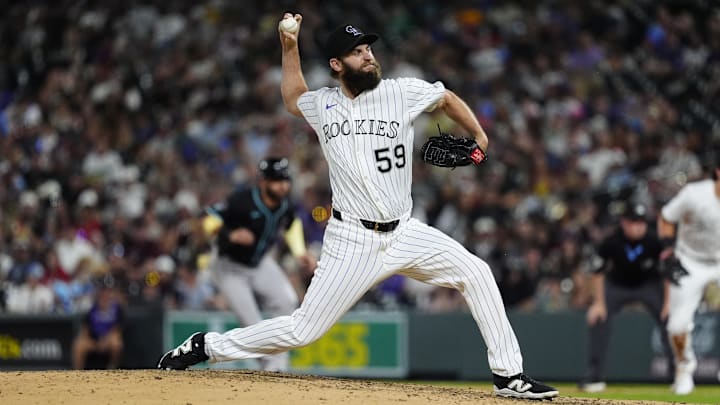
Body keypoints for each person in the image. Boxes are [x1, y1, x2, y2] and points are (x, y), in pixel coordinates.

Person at [159, 14, 558, 400]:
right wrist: (289, 44)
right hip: (351, 239)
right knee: (303, 330)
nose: (368, 55)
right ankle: (205, 346)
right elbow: (293, 97)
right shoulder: (323, 104)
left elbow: (446, 97)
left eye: (368, 48)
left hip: (405, 231)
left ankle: (509, 375)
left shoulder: (399, 92)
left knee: (476, 272)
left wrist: (479, 137)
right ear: (337, 64)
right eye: (357, 51)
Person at [200, 157, 315, 371]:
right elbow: (208, 221)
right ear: (262, 182)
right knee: (251, 322)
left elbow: (292, 225)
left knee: (286, 301)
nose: (283, 186)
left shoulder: (284, 205)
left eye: (285, 180)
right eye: (276, 180)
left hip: (259, 263)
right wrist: (232, 234)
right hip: (229, 266)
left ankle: (278, 368)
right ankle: (269, 369)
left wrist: (300, 252)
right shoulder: (241, 200)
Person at [579, 202, 673, 392]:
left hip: (649, 284)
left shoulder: (654, 241)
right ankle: (595, 375)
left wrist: (668, 304)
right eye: (633, 222)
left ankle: (677, 373)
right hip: (618, 285)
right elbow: (598, 271)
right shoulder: (612, 241)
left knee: (670, 320)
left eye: (641, 222)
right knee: (598, 318)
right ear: (623, 223)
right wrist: (598, 302)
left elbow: (667, 273)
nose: (638, 226)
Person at [657, 160, 720, 395]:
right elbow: (666, 217)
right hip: (690, 261)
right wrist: (667, 250)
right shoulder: (694, 194)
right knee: (677, 326)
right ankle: (684, 367)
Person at [72, 277, 124, 369]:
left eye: (107, 292)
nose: (105, 294)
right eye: (103, 292)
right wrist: (91, 341)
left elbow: (117, 329)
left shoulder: (116, 308)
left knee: (116, 343)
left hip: (108, 340)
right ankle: (78, 373)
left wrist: (105, 341)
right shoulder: (92, 308)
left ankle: (113, 369)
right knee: (79, 345)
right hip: (94, 341)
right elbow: (85, 329)